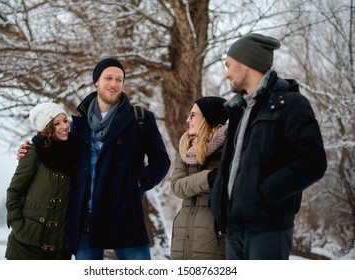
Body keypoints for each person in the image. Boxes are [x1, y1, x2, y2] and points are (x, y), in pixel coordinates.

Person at [17, 58, 170, 260]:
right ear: (96, 81)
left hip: (124, 217)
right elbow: (59, 155)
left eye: (119, 79)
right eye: (108, 78)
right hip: (85, 220)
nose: (114, 84)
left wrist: (137, 182)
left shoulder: (140, 118)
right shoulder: (79, 122)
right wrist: (32, 149)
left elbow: (161, 161)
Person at [209, 33, 327, 260]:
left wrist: (265, 194)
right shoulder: (237, 109)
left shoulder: (290, 104)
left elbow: (313, 162)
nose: (226, 73)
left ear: (246, 64)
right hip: (233, 230)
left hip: (268, 230)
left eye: (229, 65)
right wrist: (219, 198)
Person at [5, 102, 80, 260]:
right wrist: (17, 225)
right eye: (56, 123)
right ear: (47, 127)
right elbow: (14, 191)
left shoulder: (77, 152)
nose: (64, 127)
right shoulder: (33, 152)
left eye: (65, 121)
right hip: (25, 246)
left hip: (59, 248)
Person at [170, 96, 228, 260]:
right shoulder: (185, 149)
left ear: (208, 119)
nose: (188, 119)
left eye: (193, 115)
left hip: (213, 237)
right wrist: (209, 178)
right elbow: (177, 187)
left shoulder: (227, 149)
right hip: (182, 237)